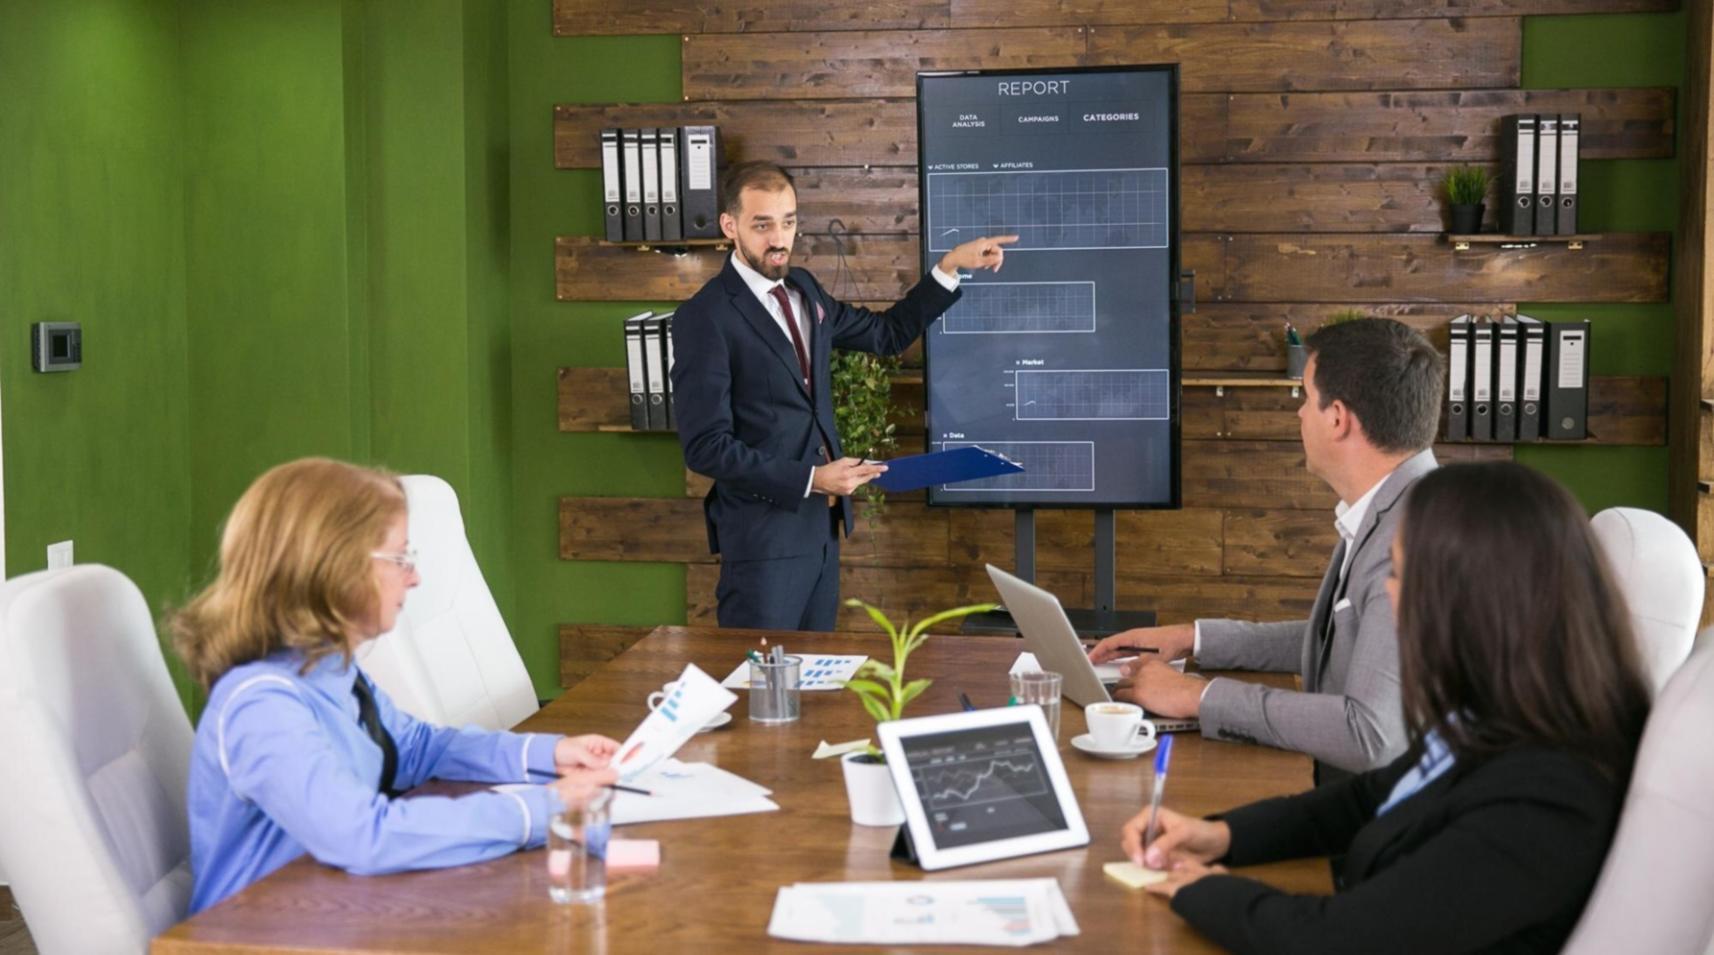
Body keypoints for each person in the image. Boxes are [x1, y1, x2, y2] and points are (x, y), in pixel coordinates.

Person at [1121, 461, 1652, 954]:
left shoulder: (1545, 799)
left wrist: (1203, 891)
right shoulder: (1503, 717)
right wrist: (1221, 835)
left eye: (1397, 575)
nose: (1388, 597)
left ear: (1467, 601)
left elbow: (1341, 941)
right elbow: (1366, 800)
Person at [173, 458, 619, 914]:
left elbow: (415, 748)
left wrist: (548, 755)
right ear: (334, 565)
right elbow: (362, 836)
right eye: (400, 558)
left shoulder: (331, 667)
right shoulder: (263, 704)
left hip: (331, 913)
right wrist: (541, 810)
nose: (415, 577)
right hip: (255, 938)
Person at [671, 159, 1016, 631]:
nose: (779, 239)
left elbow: (886, 335)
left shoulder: (804, 288)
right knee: (760, 690)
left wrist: (949, 267)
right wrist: (812, 479)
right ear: (730, 226)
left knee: (813, 688)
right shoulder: (705, 317)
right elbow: (705, 447)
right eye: (763, 225)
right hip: (762, 543)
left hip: (822, 533)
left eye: (788, 222)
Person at [1091, 317, 1442, 778]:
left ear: (1337, 419)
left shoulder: (1415, 538)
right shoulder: (1405, 505)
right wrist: (1193, 639)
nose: (1297, 413)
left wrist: (1197, 696)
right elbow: (1339, 642)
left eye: (1304, 397)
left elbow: (1368, 735)